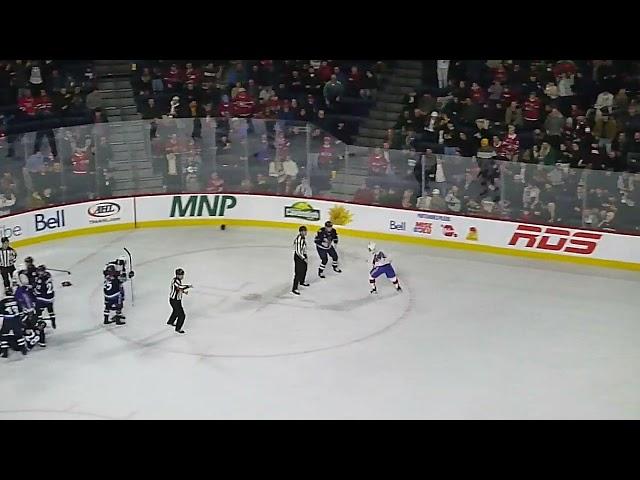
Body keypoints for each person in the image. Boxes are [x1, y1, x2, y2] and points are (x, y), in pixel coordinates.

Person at [0, 288, 28, 358]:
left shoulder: (2, 302)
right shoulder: (16, 300)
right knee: (19, 335)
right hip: (16, 319)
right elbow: (21, 312)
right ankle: (23, 350)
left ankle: (4, 352)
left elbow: (0, 314)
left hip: (7, 320)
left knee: (4, 336)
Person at [168, 268, 192, 334]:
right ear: (178, 275)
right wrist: (188, 286)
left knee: (176, 311)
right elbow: (180, 287)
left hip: (175, 300)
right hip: (174, 300)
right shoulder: (176, 281)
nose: (182, 276)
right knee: (182, 315)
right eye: (181, 275)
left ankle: (170, 321)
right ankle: (178, 328)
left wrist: (184, 292)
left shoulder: (177, 280)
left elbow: (178, 289)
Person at [34, 265, 56, 329]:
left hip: (43, 297)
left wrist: (35, 291)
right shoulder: (48, 275)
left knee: (38, 309)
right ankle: (53, 320)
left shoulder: (41, 279)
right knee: (50, 309)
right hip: (50, 297)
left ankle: (39, 321)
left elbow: (39, 289)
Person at [292, 226, 310, 295]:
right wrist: (303, 258)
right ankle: (294, 288)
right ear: (300, 232)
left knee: (304, 269)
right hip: (299, 257)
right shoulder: (299, 240)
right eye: (303, 231)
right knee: (298, 272)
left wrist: (305, 255)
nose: (305, 232)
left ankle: (302, 281)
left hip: (303, 255)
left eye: (305, 231)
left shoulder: (303, 238)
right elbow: (298, 251)